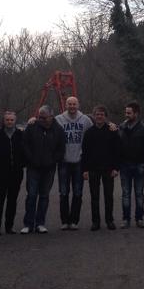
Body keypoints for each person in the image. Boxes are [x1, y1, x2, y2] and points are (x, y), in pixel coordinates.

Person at [21, 105, 66, 234]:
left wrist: (52, 160)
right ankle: (28, 224)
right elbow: (25, 144)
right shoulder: (31, 127)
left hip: (49, 168)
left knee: (44, 196)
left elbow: (61, 149)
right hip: (33, 167)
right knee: (31, 195)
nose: (41, 120)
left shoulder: (58, 130)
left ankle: (40, 223)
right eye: (40, 117)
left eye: (44, 118)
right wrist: (31, 159)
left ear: (51, 117)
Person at [55, 96, 93, 230]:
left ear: (78, 105)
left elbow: (96, 130)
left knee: (78, 192)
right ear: (66, 105)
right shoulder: (58, 119)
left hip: (79, 161)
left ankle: (74, 220)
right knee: (63, 192)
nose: (72, 106)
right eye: (69, 104)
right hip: (64, 161)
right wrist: (33, 120)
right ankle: (65, 221)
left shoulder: (86, 120)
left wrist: (111, 125)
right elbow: (45, 126)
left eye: (74, 104)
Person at [81, 105, 121, 231]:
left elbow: (117, 151)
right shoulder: (89, 133)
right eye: (97, 114)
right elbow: (85, 153)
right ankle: (95, 222)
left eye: (101, 114)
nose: (99, 116)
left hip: (108, 169)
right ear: (94, 116)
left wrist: (116, 168)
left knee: (109, 196)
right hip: (93, 169)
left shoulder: (112, 131)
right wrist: (85, 170)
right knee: (94, 197)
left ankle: (109, 220)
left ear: (105, 117)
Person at [0, 110, 25, 235]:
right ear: (3, 121)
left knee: (12, 200)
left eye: (11, 120)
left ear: (15, 121)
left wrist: (23, 163)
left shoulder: (20, 135)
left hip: (16, 172)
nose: (9, 122)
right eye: (7, 120)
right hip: (1, 172)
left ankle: (9, 226)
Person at [117, 101, 144, 229]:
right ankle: (126, 219)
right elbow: (118, 144)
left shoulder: (143, 129)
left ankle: (139, 218)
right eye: (126, 112)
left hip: (139, 165)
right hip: (124, 165)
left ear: (136, 114)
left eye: (129, 113)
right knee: (125, 193)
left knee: (139, 193)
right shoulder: (121, 127)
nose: (127, 115)